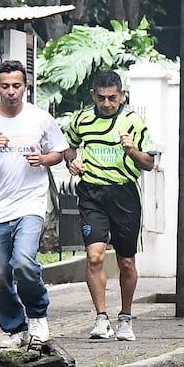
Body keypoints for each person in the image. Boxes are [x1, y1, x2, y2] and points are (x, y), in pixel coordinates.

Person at [0, 61, 66, 347]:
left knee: (22, 261)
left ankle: (37, 315)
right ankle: (17, 329)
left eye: (17, 86)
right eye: (5, 86)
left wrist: (43, 160)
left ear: (26, 86)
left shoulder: (40, 118)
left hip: (30, 204)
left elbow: (58, 152)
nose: (11, 92)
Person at [61, 70, 158, 341]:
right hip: (92, 193)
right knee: (95, 256)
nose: (106, 104)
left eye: (112, 98)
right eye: (101, 98)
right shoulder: (82, 119)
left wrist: (130, 150)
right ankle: (101, 318)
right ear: (93, 95)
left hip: (124, 194)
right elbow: (68, 146)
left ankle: (125, 317)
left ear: (122, 96)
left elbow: (149, 163)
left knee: (126, 261)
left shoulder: (133, 122)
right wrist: (72, 161)